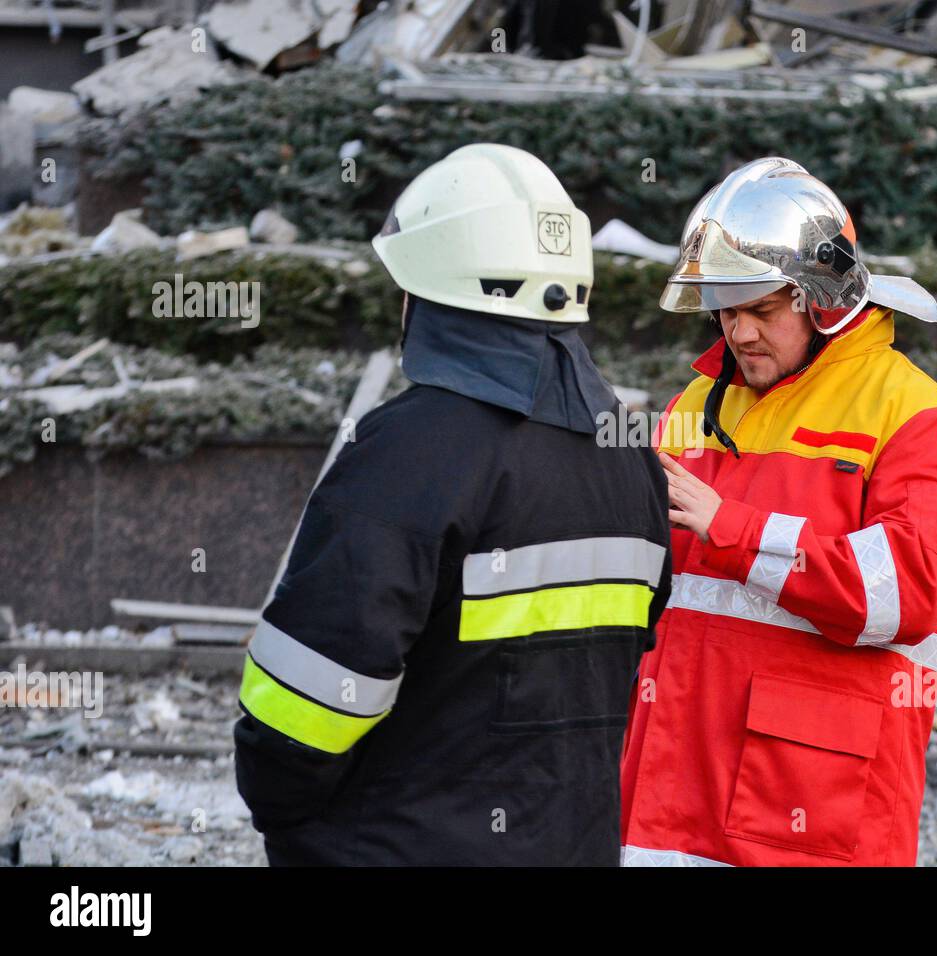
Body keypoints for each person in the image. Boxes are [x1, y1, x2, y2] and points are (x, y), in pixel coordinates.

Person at [233, 143, 672, 865]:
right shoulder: (628, 453)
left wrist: (285, 810)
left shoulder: (406, 453)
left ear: (428, 293)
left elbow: (309, 702)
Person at [620, 157, 937, 866]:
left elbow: (904, 593)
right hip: (668, 797)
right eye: (727, 311)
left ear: (823, 300)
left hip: (810, 809)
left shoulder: (922, 418)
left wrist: (730, 526)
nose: (740, 333)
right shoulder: (696, 405)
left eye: (761, 310)